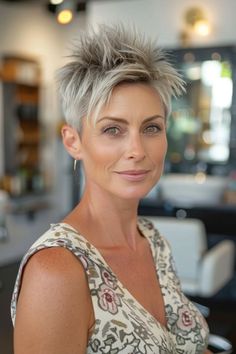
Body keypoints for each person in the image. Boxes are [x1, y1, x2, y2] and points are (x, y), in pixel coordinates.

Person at [11, 23, 211, 354]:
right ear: (73, 142)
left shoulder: (152, 240)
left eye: (151, 127)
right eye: (113, 130)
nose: (137, 150)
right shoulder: (57, 271)